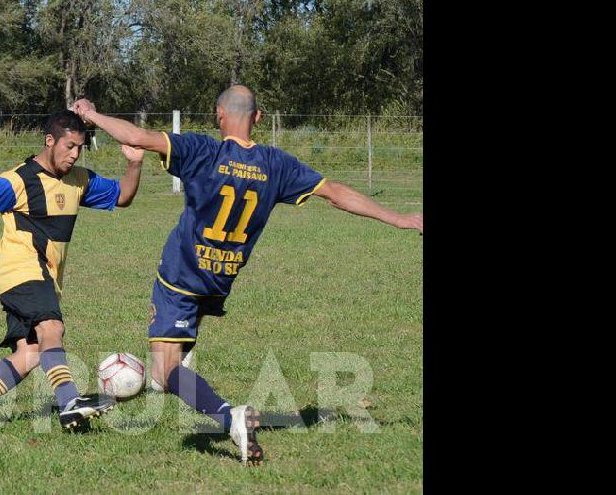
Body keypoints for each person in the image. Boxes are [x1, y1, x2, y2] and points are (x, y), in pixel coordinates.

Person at [71, 87, 422, 465]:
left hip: (182, 276)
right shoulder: (276, 164)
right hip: (221, 278)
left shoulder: (202, 150)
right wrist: (399, 218)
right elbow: (335, 193)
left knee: (165, 368)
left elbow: (136, 137)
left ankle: (228, 416)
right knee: (171, 360)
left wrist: (92, 115)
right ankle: (172, 375)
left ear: (219, 114)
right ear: (257, 117)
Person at [0, 110, 145, 431]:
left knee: (30, 355)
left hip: (43, 278)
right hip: (21, 270)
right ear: (49, 141)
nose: (74, 154)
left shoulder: (79, 179)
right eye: (69, 146)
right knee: (52, 328)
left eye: (80, 147)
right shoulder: (17, 180)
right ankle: (70, 402)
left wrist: (134, 163)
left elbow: (122, 196)